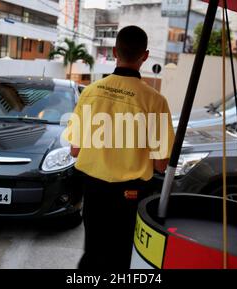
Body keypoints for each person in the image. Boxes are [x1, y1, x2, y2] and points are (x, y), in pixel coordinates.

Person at [63, 25, 175, 269]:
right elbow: (160, 163)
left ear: (115, 51)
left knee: (93, 251)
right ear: (144, 56)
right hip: (131, 195)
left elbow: (75, 150)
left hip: (93, 190)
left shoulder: (90, 92)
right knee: (122, 255)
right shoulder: (155, 101)